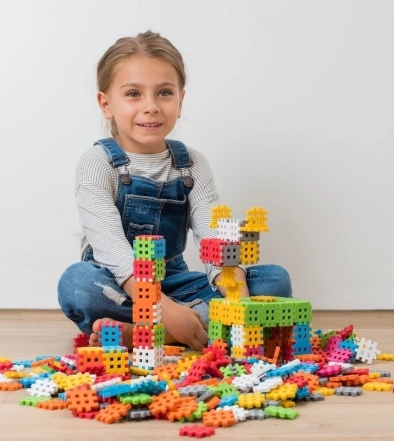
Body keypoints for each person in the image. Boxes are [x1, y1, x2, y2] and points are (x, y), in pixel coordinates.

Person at [57, 31, 292, 351]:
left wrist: (237, 295)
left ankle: (154, 334)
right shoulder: (97, 163)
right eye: (133, 94)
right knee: (78, 285)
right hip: (119, 283)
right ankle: (193, 325)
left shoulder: (192, 164)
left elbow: (213, 233)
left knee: (274, 281)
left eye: (164, 92)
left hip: (175, 283)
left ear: (180, 100)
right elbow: (112, 250)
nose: (151, 106)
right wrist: (164, 310)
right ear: (106, 104)